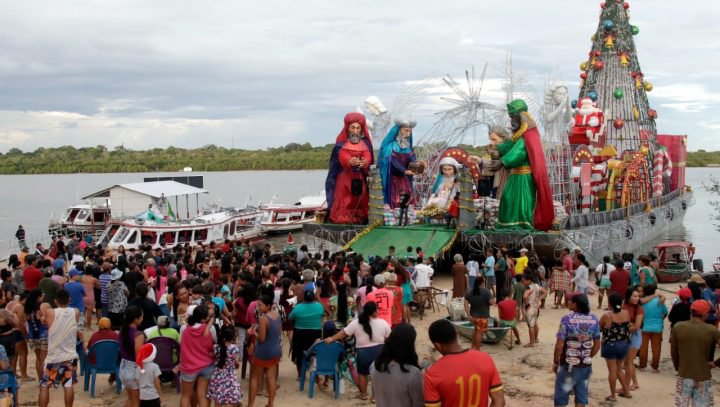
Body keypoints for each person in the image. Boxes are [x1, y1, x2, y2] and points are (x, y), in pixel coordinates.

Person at [488, 99, 553, 231]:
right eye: (510, 117)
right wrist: (498, 148)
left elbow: (519, 152)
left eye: (513, 117)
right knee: (507, 198)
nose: (511, 120)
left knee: (522, 202)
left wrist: (502, 162)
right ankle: (509, 224)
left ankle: (523, 224)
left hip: (524, 177)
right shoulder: (520, 135)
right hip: (516, 175)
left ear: (521, 117)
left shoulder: (528, 135)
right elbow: (512, 146)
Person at [424, 319, 505, 407]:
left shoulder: (432, 374)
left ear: (437, 345)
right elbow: (499, 400)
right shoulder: (485, 359)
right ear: (455, 334)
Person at [325, 301, 390, 401]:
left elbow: (343, 333)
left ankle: (363, 395)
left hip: (363, 352)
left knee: (362, 374)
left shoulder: (356, 323)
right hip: (379, 351)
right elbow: (390, 337)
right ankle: (374, 397)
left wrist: (332, 338)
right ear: (374, 312)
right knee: (377, 374)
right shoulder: (383, 322)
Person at [325, 112, 374, 224]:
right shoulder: (340, 145)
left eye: (358, 128)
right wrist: (349, 161)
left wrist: (365, 162)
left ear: (361, 129)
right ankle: (344, 218)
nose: (355, 131)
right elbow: (338, 163)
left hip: (359, 177)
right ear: (348, 128)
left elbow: (368, 157)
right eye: (353, 128)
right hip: (344, 179)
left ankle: (360, 218)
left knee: (360, 199)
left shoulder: (365, 144)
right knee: (346, 200)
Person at [552, 294, 600, 407]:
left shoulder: (567, 319)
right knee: (581, 398)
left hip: (568, 364)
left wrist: (555, 361)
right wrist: (587, 356)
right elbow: (597, 345)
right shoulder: (594, 319)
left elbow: (559, 345)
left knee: (561, 398)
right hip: (585, 365)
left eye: (570, 302)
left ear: (575, 305)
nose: (568, 303)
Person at [671, 300, 720, 406]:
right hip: (703, 375)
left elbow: (673, 352)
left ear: (691, 312)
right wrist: (716, 363)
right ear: (705, 314)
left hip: (684, 374)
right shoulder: (712, 330)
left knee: (681, 405)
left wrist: (678, 367)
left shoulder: (678, 327)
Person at [38, 289, 80, 407]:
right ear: (69, 299)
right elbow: (71, 325)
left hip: (53, 357)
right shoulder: (75, 312)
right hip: (70, 356)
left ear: (56, 301)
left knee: (45, 385)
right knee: (68, 385)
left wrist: (43, 320)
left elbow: (49, 324)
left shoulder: (50, 312)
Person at [370, 323, 423, 407]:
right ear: (410, 345)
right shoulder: (413, 373)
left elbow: (375, 394)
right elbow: (419, 403)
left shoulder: (375, 366)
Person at [378, 116, 418, 209]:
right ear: (398, 131)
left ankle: (407, 217)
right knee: (395, 199)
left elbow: (411, 158)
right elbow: (392, 161)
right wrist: (404, 171)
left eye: (409, 131)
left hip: (404, 180)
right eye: (405, 130)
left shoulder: (407, 147)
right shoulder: (391, 146)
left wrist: (418, 164)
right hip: (392, 180)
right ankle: (393, 217)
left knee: (407, 198)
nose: (408, 134)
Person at [179, 305, 215, 407]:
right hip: (206, 366)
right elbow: (210, 348)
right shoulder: (208, 330)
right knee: (202, 396)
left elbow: (182, 347)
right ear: (204, 318)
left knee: (186, 396)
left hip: (189, 368)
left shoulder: (185, 331)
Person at [248, 295, 281, 407]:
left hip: (264, 351)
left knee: (254, 378)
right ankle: (270, 404)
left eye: (260, 305)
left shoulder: (263, 318)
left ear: (268, 305)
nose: (258, 307)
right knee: (271, 378)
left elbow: (261, 338)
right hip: (275, 349)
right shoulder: (277, 315)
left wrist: (253, 332)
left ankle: (250, 404)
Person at [599, 293, 632, 402]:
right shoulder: (626, 313)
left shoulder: (607, 315)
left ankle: (613, 395)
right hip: (624, 344)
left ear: (609, 303)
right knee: (618, 369)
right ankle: (626, 391)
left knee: (612, 371)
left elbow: (599, 328)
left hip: (610, 345)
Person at [288, 290, 324, 379]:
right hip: (315, 334)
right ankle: (315, 373)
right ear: (313, 298)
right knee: (315, 353)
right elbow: (322, 315)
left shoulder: (297, 307)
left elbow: (290, 317)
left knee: (298, 354)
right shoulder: (319, 306)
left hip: (299, 334)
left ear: (303, 298)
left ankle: (300, 374)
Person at [207, 326, 243, 407]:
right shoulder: (235, 348)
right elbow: (234, 361)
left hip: (217, 376)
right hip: (230, 376)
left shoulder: (216, 347)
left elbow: (213, 355)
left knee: (218, 399)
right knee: (229, 398)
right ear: (233, 337)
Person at [119, 305, 145, 407]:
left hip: (124, 366)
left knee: (130, 398)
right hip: (133, 368)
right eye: (141, 317)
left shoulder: (123, 331)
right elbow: (138, 357)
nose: (142, 318)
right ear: (136, 319)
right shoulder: (138, 335)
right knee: (136, 400)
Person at [638, 284, 668, 372]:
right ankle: (655, 367)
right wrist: (660, 319)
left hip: (645, 327)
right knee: (656, 348)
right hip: (657, 328)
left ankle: (642, 366)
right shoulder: (660, 301)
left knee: (643, 347)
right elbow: (665, 312)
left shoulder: (643, 302)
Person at [622, 286, 644, 391]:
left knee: (628, 362)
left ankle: (626, 386)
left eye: (638, 296)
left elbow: (636, 327)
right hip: (627, 335)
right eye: (634, 296)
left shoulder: (639, 309)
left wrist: (623, 328)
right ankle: (635, 383)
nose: (636, 298)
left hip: (634, 336)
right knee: (628, 362)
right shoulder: (625, 305)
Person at [464, 276, 494, 350]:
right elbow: (491, 303)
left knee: (475, 330)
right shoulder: (486, 292)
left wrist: (468, 314)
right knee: (480, 333)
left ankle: (472, 346)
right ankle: (477, 349)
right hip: (483, 316)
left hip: (473, 316)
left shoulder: (470, 292)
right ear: (482, 282)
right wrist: (493, 301)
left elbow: (465, 302)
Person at [25, 288, 48, 380]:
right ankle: (45, 379)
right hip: (43, 334)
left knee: (38, 358)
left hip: (32, 336)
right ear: (39, 296)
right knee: (44, 359)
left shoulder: (27, 307)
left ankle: (40, 379)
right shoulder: (41, 306)